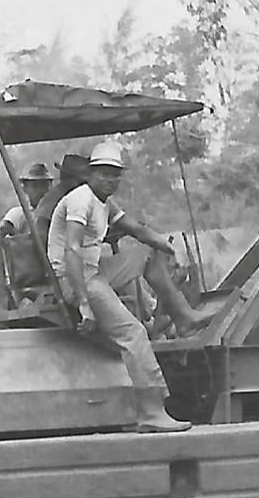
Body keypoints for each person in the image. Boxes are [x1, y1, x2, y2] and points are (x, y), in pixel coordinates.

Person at [47, 140, 191, 433]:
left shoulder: (104, 202)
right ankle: (151, 412)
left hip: (94, 270)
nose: (110, 179)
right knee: (133, 333)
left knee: (147, 252)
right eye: (104, 173)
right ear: (91, 173)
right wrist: (84, 303)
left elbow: (136, 229)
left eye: (115, 174)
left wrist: (172, 247)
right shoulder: (81, 200)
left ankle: (183, 316)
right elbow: (71, 250)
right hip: (75, 278)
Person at [0, 162, 53, 237]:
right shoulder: (20, 214)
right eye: (35, 186)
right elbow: (2, 229)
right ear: (25, 189)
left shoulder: (58, 213)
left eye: (45, 185)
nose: (41, 191)